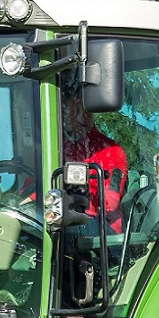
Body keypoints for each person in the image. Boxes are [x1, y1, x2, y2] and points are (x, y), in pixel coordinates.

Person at [62, 93, 128, 233]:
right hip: (66, 225)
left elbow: (109, 203)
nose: (82, 116)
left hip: (103, 232)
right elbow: (34, 193)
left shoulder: (112, 151)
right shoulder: (58, 149)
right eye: (73, 111)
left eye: (83, 110)